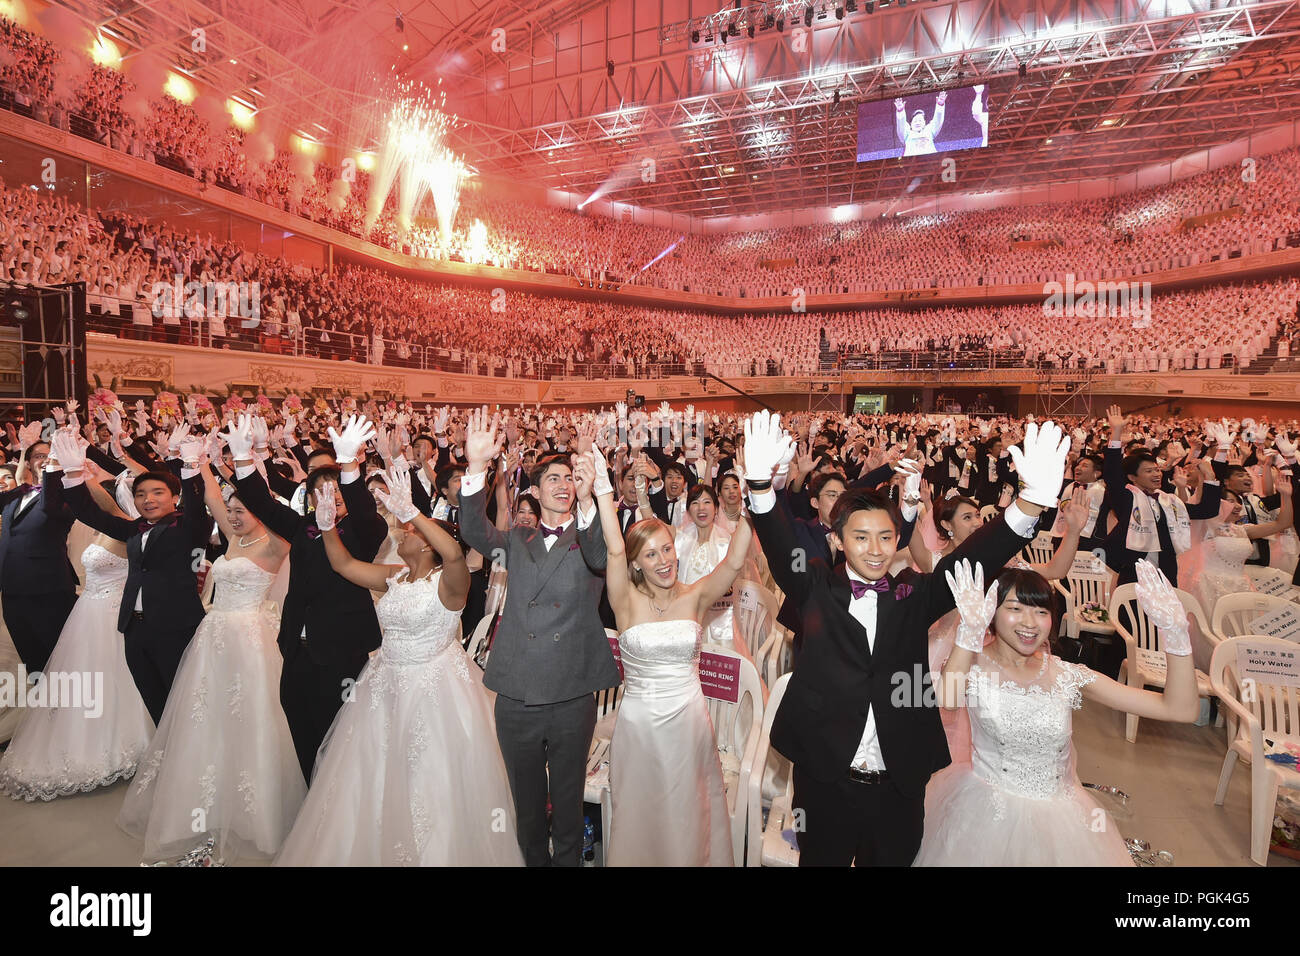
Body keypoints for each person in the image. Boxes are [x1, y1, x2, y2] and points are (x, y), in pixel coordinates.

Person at [745, 412, 1066, 866]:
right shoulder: (814, 587)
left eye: (884, 537)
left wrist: (1029, 504)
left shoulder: (913, 594)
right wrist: (760, 487)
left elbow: (972, 557)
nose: (875, 549)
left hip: (899, 783)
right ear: (837, 541)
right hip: (824, 780)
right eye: (860, 537)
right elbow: (779, 543)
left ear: (898, 539)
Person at [276, 468, 521, 866]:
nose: (402, 533)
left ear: (428, 547)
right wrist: (326, 529)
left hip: (433, 691)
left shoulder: (450, 582)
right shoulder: (396, 578)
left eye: (410, 533)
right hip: (384, 684)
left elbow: (456, 552)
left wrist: (415, 513)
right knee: (371, 776)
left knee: (427, 781)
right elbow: (343, 566)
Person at [916, 560, 1200, 865]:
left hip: (1064, 822)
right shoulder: (972, 666)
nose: (1030, 623)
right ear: (991, 613)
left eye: (1041, 611)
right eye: (1015, 608)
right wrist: (968, 636)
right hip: (984, 815)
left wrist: (1177, 636)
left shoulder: (1066, 675)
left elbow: (1180, 709)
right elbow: (946, 699)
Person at [117, 439, 303, 863]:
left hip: (251, 638)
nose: (234, 517)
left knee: (250, 717)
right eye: (232, 511)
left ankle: (252, 808)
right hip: (212, 634)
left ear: (262, 511)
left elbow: (255, 506)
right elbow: (214, 498)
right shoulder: (233, 541)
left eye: (243, 510)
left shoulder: (277, 545)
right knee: (205, 714)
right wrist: (197, 463)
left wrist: (247, 462)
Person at [458, 408, 618, 867]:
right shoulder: (515, 540)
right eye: (552, 477)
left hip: (570, 693)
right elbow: (472, 530)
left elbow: (600, 557)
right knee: (528, 809)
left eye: (569, 477)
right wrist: (475, 468)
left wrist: (591, 498)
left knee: (567, 808)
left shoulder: (591, 534)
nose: (562, 484)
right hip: (517, 694)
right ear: (534, 488)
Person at [585, 445, 745, 866]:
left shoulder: (694, 595)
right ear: (637, 564)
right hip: (638, 725)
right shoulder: (624, 601)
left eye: (668, 550)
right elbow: (615, 549)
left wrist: (754, 495)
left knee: (688, 812)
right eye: (651, 554)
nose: (664, 561)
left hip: (689, 722)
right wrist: (603, 489)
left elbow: (733, 563)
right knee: (640, 813)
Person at [227, 414, 389, 782]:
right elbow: (263, 505)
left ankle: (339, 801)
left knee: (340, 731)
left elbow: (364, 511)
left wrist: (349, 464)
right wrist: (242, 460)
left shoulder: (364, 530)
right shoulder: (303, 528)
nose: (330, 497)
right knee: (298, 720)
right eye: (321, 491)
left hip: (341, 650)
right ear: (311, 499)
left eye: (338, 490)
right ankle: (310, 794)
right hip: (297, 647)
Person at [0, 458, 152, 801]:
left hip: (109, 614)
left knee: (104, 682)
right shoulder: (98, 528)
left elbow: (101, 506)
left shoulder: (127, 527)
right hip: (87, 611)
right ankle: (62, 731)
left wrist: (80, 476)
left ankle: (108, 743)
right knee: (69, 677)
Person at [51, 427, 209, 724]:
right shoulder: (135, 530)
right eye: (140, 494)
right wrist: (73, 472)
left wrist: (189, 467)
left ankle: (185, 755)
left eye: (157, 493)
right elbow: (90, 513)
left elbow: (198, 508)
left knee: (182, 699)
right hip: (134, 628)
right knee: (152, 695)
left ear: (175, 498)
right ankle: (164, 752)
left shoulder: (189, 528)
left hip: (174, 626)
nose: (147, 499)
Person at [0, 427, 79, 674]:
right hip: (12, 592)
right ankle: (43, 707)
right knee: (32, 660)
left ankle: (66, 707)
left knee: (59, 658)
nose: (44, 459)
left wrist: (53, 468)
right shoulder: (15, 496)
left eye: (51, 454)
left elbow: (48, 508)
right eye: (39, 455)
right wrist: (23, 449)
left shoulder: (68, 496)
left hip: (48, 591)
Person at [895, 90, 947, 156]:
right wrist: (900, 111)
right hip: (911, 163)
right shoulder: (906, 134)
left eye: (920, 120)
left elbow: (938, 120)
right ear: (910, 124)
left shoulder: (929, 131)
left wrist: (940, 105)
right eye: (915, 121)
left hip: (931, 161)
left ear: (924, 123)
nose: (917, 123)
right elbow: (901, 125)